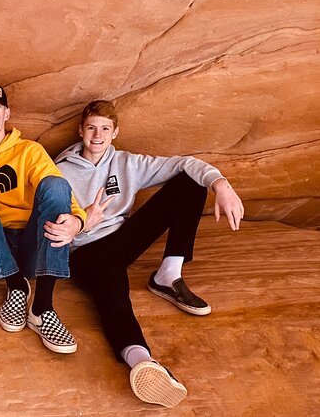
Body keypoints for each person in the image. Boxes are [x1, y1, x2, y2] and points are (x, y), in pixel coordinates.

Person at [55, 99, 245, 407]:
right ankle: (141, 360)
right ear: (80, 130)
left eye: (105, 128)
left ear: (115, 132)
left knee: (190, 182)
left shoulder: (127, 163)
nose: (97, 135)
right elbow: (51, 222)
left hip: (121, 241)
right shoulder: (60, 171)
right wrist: (82, 223)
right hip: (85, 252)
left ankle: (168, 275)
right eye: (91, 128)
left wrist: (220, 184)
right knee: (114, 295)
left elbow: (185, 163)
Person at [0, 83, 87, 354]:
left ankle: (42, 308)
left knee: (55, 184)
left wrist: (78, 220)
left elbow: (59, 190)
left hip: (28, 245)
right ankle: (15, 283)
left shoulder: (29, 151)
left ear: (7, 114)